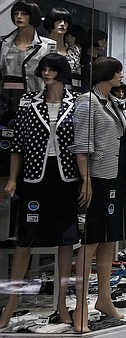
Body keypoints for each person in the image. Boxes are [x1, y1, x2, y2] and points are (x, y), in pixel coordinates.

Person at [0, 55, 80, 328]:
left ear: (62, 73)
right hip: (35, 176)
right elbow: (17, 144)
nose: (46, 73)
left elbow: (84, 144)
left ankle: (61, 303)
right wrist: (12, 178)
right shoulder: (28, 101)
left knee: (66, 240)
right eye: (44, 68)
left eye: (52, 69)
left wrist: (88, 179)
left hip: (67, 177)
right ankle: (10, 304)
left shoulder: (77, 102)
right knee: (25, 239)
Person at [71, 57, 126, 332]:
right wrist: (86, 181)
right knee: (91, 240)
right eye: (116, 71)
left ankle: (104, 298)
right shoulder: (87, 103)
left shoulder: (112, 103)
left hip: (115, 175)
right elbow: (81, 145)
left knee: (109, 238)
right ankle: (79, 306)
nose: (120, 75)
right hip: (97, 177)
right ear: (105, 74)